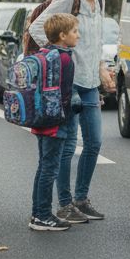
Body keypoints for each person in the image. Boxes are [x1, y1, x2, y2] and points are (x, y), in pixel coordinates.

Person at [28, 0, 116, 224]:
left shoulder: (99, 1)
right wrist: (58, 53)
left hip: (90, 83)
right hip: (68, 85)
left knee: (94, 143)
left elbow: (96, 41)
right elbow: (36, 28)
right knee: (66, 148)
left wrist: (101, 70)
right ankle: (64, 204)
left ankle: (81, 199)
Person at [28, 13, 79, 232]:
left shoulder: (46, 53)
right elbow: (65, 94)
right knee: (50, 169)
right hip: (57, 121)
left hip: (43, 118)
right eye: (75, 31)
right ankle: (43, 216)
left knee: (43, 166)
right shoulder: (65, 59)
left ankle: (37, 212)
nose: (78, 35)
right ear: (62, 36)